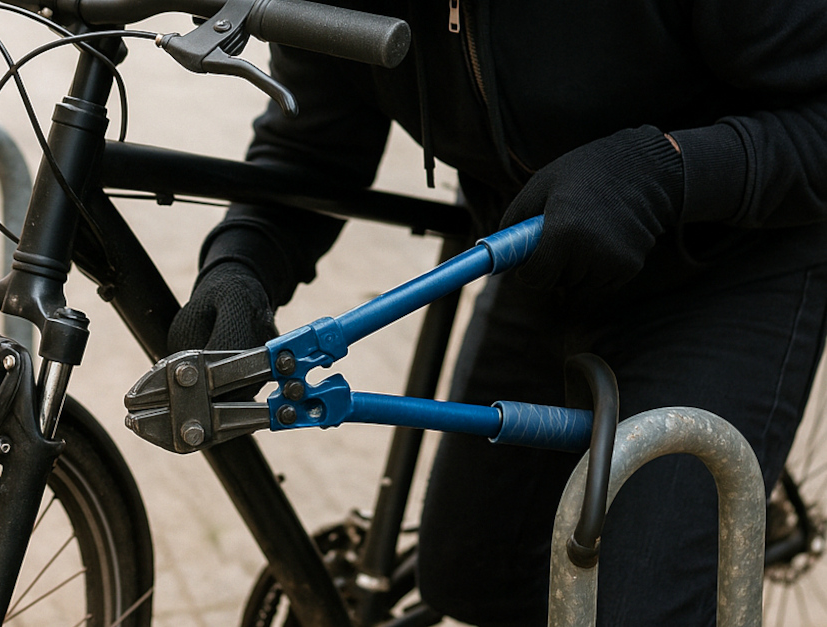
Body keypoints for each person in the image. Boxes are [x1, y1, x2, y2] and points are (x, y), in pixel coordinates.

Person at [168, 1, 827, 624]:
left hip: (733, 259)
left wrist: (666, 170)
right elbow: (312, 147)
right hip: (550, 251)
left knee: (638, 605)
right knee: (474, 574)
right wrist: (242, 267)